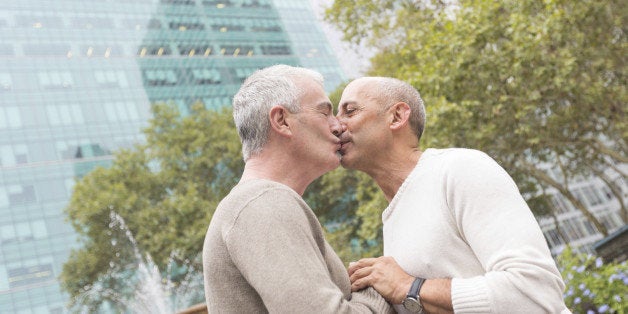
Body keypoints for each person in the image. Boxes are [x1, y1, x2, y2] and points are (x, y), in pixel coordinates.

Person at [336, 77, 570, 314]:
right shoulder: (393, 218)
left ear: (396, 116)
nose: (336, 125)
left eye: (350, 111)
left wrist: (409, 287)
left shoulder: (460, 168)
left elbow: (535, 293)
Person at [202, 65, 393, 313]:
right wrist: (376, 285)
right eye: (324, 112)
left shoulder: (258, 203)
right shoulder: (262, 204)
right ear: (282, 121)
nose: (338, 126)